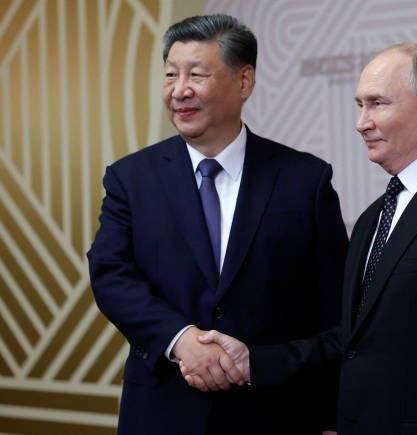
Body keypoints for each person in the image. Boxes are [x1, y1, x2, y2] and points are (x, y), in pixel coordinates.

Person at [195, 43, 417, 434]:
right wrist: (252, 362)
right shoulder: (371, 219)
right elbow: (351, 341)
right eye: (359, 105)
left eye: (377, 104)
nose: (361, 122)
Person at [87, 14, 348, 435]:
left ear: (244, 81)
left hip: (274, 413)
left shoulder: (305, 180)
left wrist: (331, 417)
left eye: (197, 74)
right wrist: (180, 338)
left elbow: (333, 310)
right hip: (163, 411)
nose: (179, 89)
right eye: (171, 74)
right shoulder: (131, 179)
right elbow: (111, 275)